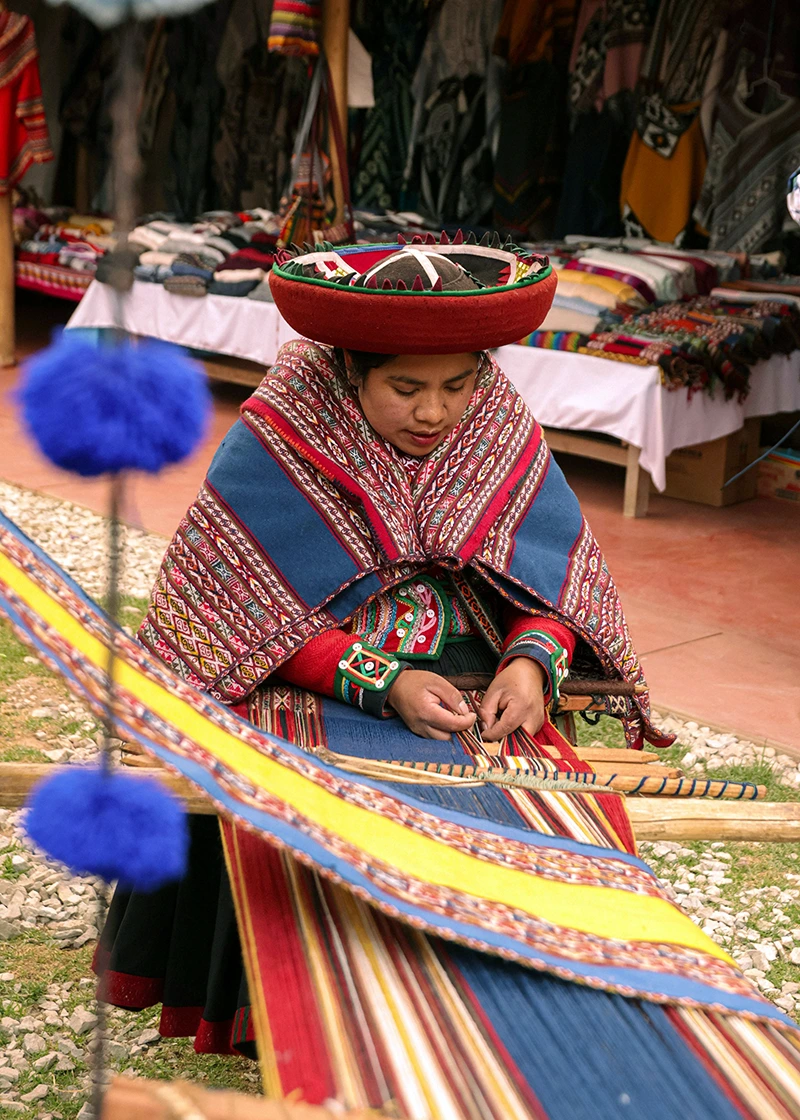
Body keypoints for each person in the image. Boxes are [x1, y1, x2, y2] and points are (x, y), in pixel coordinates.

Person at [96, 237, 667, 1088]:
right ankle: (338, 1019)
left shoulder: (497, 421)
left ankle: (500, 1009)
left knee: (524, 807)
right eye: (406, 387)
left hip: (471, 677)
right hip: (307, 674)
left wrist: (532, 664)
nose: (436, 411)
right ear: (350, 371)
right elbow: (237, 605)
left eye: (457, 385)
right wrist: (381, 679)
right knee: (306, 812)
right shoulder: (286, 426)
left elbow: (550, 575)